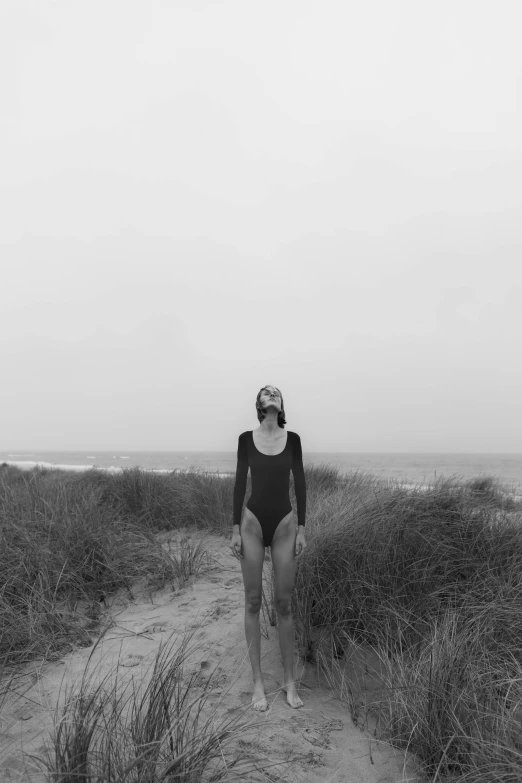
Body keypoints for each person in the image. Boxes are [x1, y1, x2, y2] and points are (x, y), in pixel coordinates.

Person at [230, 385, 307, 711]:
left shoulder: (294, 440)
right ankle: (258, 681)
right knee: (252, 601)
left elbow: (300, 482)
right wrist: (234, 527)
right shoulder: (246, 440)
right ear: (260, 404)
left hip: (285, 525)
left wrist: (302, 527)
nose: (271, 393)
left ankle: (289, 682)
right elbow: (239, 480)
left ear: (280, 404)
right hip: (251, 523)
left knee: (284, 603)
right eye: (266, 392)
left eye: (275, 392)